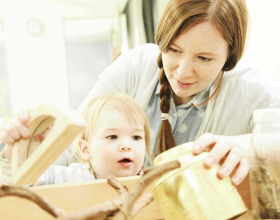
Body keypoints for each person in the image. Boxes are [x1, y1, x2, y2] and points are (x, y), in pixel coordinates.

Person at [1, 0, 280, 186]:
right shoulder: (134, 68)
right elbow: (72, 144)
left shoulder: (252, 91)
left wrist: (250, 148)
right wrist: (24, 152)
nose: (182, 72)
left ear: (231, 55)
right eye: (173, 50)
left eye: (204, 59)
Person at [0, 93, 151, 185]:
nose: (126, 145)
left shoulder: (151, 181)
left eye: (136, 137)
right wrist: (13, 151)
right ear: (85, 150)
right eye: (112, 136)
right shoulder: (72, 177)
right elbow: (23, 184)